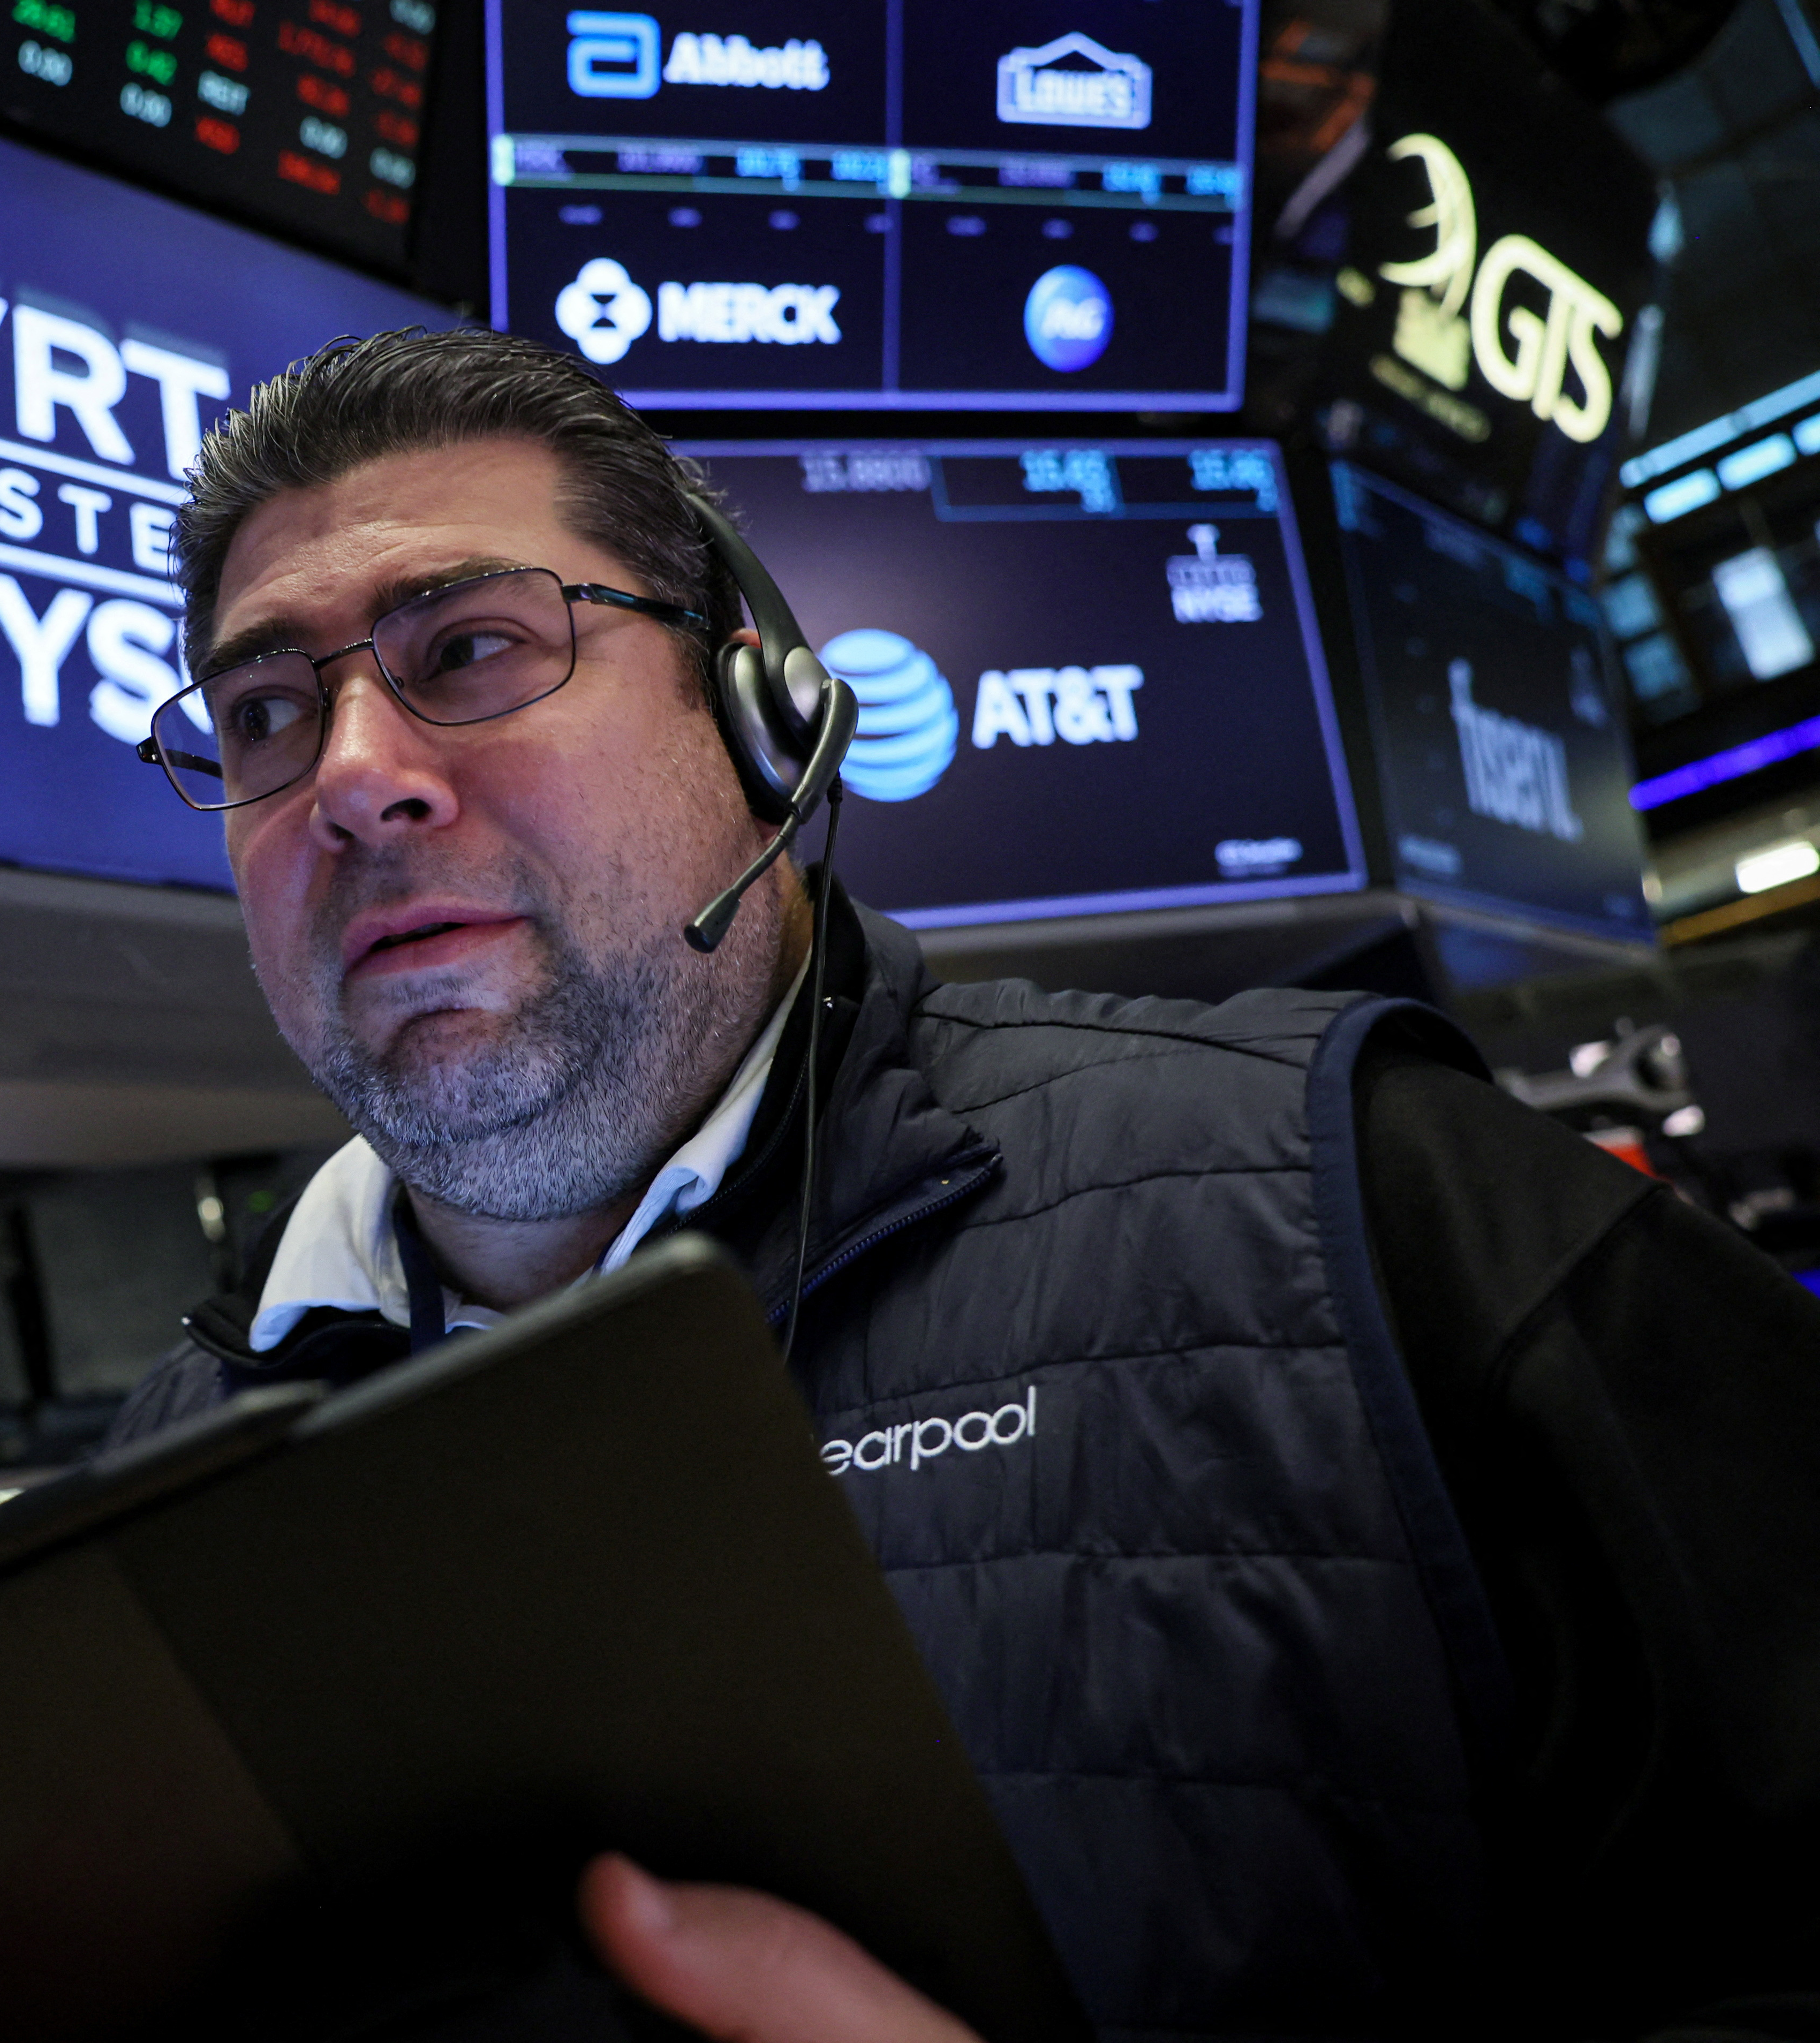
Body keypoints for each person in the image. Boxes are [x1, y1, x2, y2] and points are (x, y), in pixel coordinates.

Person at [107, 328, 1820, 2040]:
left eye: (468, 648)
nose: (345, 777)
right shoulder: (155, 1498)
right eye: (265, 711)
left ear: (760, 715)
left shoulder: (1358, 1204)